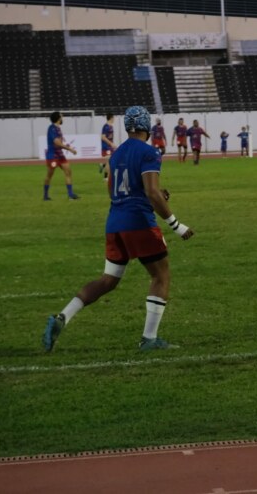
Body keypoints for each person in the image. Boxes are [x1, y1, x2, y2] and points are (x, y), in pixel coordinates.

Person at [41, 106, 195, 353]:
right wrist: (177, 225)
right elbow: (151, 192)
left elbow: (119, 191)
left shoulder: (116, 154)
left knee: (108, 280)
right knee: (161, 276)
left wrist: (153, 194)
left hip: (115, 223)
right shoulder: (149, 152)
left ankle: (63, 316)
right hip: (139, 223)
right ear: (145, 126)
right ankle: (149, 339)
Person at [43, 111, 79, 200]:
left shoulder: (58, 128)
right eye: (61, 116)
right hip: (52, 156)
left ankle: (70, 194)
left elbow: (59, 143)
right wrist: (69, 149)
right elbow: (57, 142)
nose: (63, 118)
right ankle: (45, 196)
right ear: (58, 118)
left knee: (68, 172)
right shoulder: (52, 128)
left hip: (60, 155)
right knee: (49, 175)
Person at [99, 113, 115, 181]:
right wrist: (111, 143)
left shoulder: (111, 126)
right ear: (111, 118)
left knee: (110, 160)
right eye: (113, 118)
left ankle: (102, 165)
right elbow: (103, 137)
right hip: (106, 147)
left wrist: (112, 144)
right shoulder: (106, 127)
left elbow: (110, 137)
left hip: (110, 147)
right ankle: (106, 177)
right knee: (109, 160)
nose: (114, 119)